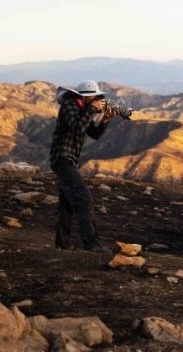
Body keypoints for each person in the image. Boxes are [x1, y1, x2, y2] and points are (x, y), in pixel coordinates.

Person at [50, 80, 133, 252]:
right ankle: (91, 244)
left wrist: (104, 120)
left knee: (66, 205)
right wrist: (91, 109)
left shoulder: (82, 110)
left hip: (69, 160)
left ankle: (61, 245)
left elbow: (93, 133)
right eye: (95, 97)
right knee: (84, 199)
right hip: (62, 159)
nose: (97, 99)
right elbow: (77, 127)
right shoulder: (69, 106)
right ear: (86, 97)